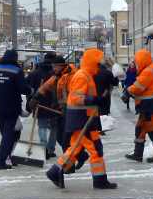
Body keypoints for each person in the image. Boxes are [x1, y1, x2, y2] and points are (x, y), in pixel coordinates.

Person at [46, 48, 117, 190]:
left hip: (86, 120)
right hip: (81, 120)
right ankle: (100, 181)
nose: (99, 67)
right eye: (97, 64)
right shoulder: (82, 76)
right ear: (91, 63)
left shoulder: (87, 75)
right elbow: (76, 98)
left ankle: (55, 171)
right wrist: (95, 100)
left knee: (75, 149)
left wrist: (98, 100)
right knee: (95, 150)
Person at [0, 49, 31, 170]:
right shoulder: (16, 71)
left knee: (8, 134)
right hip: (12, 108)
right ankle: (0, 162)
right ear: (15, 58)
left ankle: (11, 157)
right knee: (8, 136)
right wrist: (31, 90)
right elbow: (23, 89)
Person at [122, 49, 153, 163]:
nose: (135, 64)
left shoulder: (148, 71)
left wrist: (128, 91)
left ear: (141, 60)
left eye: (136, 62)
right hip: (148, 105)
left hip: (152, 106)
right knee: (140, 127)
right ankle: (138, 153)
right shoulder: (150, 69)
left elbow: (138, 87)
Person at [31, 54, 67, 159]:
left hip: (40, 105)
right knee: (54, 128)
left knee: (42, 127)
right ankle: (50, 149)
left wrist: (32, 100)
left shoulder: (35, 73)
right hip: (55, 106)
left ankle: (43, 150)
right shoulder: (56, 74)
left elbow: (31, 88)